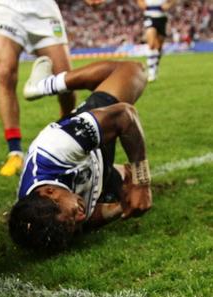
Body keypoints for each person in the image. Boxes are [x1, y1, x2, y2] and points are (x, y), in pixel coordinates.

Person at [9, 58, 152, 252]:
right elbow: (84, 221)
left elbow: (125, 116)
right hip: (98, 174)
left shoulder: (56, 148)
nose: (80, 218)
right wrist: (121, 208)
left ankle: (43, 85)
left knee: (134, 71)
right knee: (130, 194)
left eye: (73, 215)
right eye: (73, 226)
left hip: (88, 147)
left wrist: (141, 181)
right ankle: (114, 178)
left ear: (49, 192)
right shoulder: (42, 218)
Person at [0, 0, 77, 177]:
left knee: (66, 80)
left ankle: (66, 139)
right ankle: (15, 152)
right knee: (5, 72)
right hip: (6, 7)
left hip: (42, 8)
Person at [138, 0, 176, 82]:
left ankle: (155, 66)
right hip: (149, 16)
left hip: (162, 18)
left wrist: (169, 4)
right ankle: (151, 72)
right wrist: (141, 3)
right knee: (151, 44)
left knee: (159, 47)